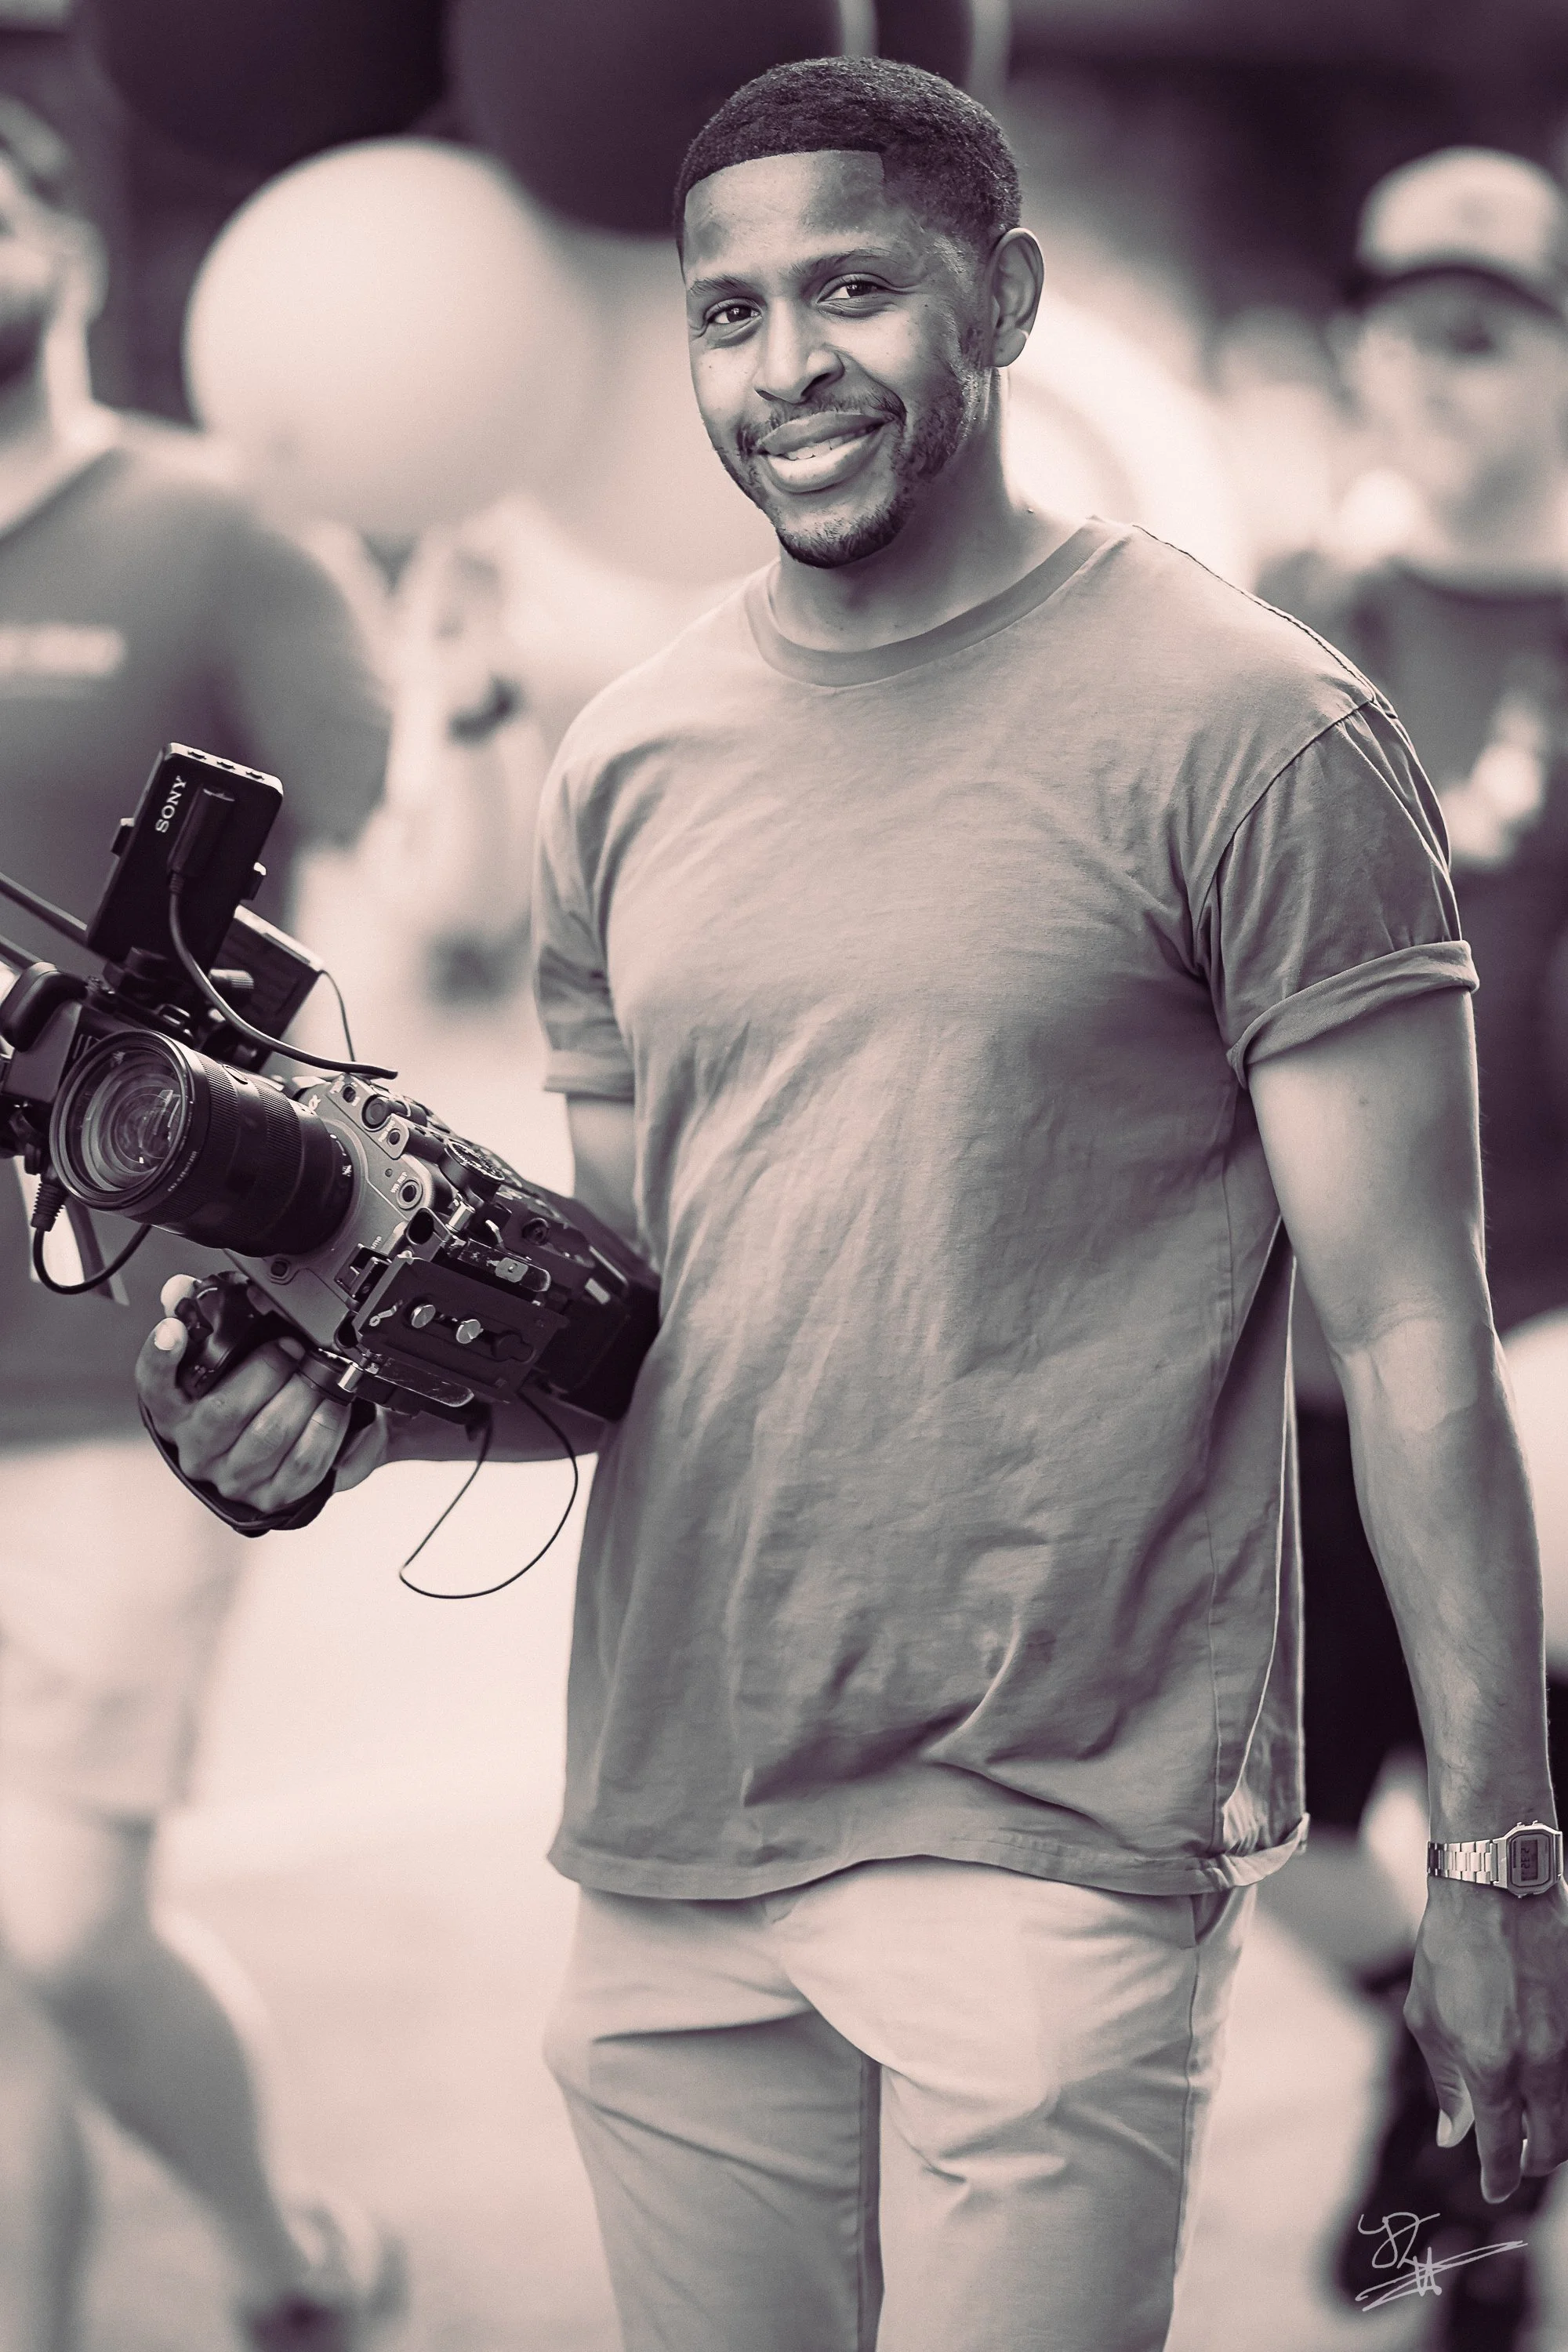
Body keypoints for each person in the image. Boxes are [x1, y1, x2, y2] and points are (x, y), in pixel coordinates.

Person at [138, 60, 1568, 2352]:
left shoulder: (1254, 730)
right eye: (723, 312)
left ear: (996, 298)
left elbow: (1415, 1328)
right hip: (672, 1832)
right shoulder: (628, 766)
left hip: (1048, 1836)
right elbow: (633, 1330)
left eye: (850, 290)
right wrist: (350, 1411)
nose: (781, 366)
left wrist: (1501, 1866)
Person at [0, 99, 399, 2351]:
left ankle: (281, 2256)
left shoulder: (217, 528)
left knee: (60, 1927)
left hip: (111, 1369)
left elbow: (403, 921)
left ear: (63, 232)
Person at [1258, 146, 1568, 2348]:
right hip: (1307, 1359)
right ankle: (1452, 2100)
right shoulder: (1285, 618)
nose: (1435, 367)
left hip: (1555, 1340)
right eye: (1404, 322)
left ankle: (1472, 2214)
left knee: (1517, 1820)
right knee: (1253, 1819)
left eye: (1489, 327)